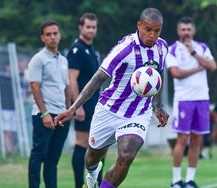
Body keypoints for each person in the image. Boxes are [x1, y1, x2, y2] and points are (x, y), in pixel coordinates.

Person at [55, 7, 169, 188]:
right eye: (148, 29)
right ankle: (91, 174)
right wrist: (73, 108)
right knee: (92, 157)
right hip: (109, 110)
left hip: (138, 113)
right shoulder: (125, 49)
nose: (152, 35)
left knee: (126, 155)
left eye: (157, 30)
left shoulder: (162, 47)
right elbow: (98, 78)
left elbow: (158, 74)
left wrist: (158, 106)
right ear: (139, 25)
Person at [166, 17, 217, 188]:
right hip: (183, 100)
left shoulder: (202, 48)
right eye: (183, 29)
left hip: (202, 99)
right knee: (182, 139)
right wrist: (197, 68)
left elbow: (212, 66)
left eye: (189, 29)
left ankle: (189, 179)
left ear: (193, 31)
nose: (186, 33)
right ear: (178, 31)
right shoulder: (173, 50)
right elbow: (176, 73)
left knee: (197, 140)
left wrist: (195, 54)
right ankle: (175, 180)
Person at [28, 20, 71, 188]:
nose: (52, 37)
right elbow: (34, 86)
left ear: (59, 35)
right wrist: (45, 114)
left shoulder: (63, 60)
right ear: (42, 38)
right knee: (38, 156)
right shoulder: (38, 59)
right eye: (48, 34)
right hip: (44, 115)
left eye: (55, 33)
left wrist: (68, 110)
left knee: (53, 159)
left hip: (61, 115)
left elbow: (66, 86)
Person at [67, 12, 104, 188]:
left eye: (93, 27)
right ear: (80, 27)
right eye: (87, 26)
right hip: (84, 104)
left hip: (96, 103)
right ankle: (79, 184)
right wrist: (77, 106)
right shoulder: (77, 50)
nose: (91, 30)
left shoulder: (92, 51)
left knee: (98, 142)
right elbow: (71, 78)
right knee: (82, 142)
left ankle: (97, 183)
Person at [0, 64, 17, 156]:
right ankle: (8, 149)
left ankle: (11, 149)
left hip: (13, 108)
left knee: (11, 131)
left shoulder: (15, 79)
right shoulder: (0, 79)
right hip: (4, 108)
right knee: (7, 130)